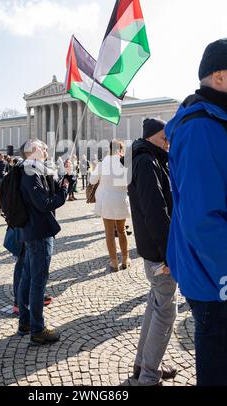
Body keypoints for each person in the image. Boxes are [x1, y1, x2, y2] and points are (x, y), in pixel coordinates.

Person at [165, 39, 227, 386]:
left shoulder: (213, 120)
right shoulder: (203, 127)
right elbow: (204, 217)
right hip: (214, 278)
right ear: (219, 76)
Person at [128, 118, 177, 386]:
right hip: (159, 253)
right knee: (166, 312)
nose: (167, 144)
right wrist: (169, 253)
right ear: (151, 138)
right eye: (164, 139)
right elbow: (155, 212)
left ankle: (144, 366)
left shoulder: (149, 159)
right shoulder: (147, 161)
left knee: (154, 306)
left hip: (154, 249)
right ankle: (148, 376)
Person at [17, 139, 69, 344]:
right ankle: (37, 330)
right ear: (31, 151)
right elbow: (46, 203)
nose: (46, 149)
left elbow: (54, 190)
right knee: (38, 280)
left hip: (33, 231)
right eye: (42, 147)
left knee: (28, 276)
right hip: (39, 232)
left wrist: (66, 177)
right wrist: (64, 190)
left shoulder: (35, 170)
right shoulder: (31, 173)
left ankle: (26, 321)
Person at [90, 140, 130, 272]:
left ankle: (114, 262)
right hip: (121, 198)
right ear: (121, 149)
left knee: (109, 233)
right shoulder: (125, 163)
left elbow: (92, 180)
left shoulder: (103, 163)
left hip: (107, 199)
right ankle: (125, 259)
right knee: (122, 230)